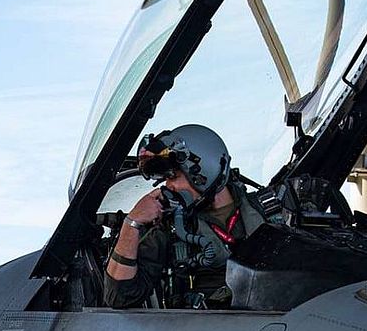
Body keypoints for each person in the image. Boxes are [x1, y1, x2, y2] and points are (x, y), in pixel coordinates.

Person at [103, 124, 265, 309]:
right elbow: (120, 297)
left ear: (203, 170)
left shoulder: (270, 210)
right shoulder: (170, 230)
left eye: (173, 177)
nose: (167, 186)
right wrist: (132, 223)